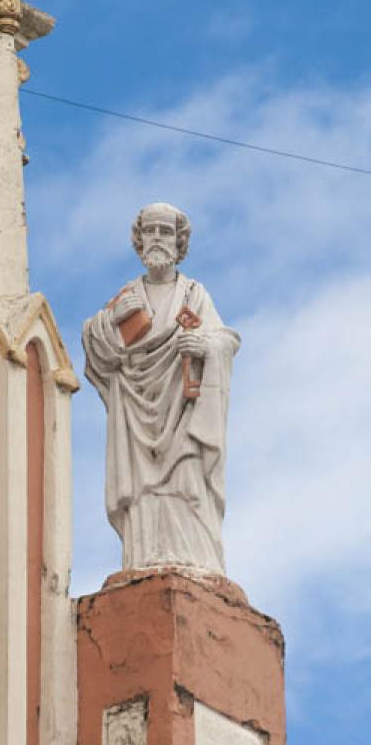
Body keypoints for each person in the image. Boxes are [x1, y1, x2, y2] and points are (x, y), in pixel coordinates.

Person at [82, 202, 240, 574]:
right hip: (136, 415)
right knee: (143, 492)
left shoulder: (194, 295)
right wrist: (110, 322)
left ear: (179, 242)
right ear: (139, 241)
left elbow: (225, 340)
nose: (157, 239)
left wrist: (204, 346)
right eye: (150, 231)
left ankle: (196, 561)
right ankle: (143, 559)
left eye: (165, 232)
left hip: (181, 413)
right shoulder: (126, 297)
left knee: (187, 480)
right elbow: (96, 347)